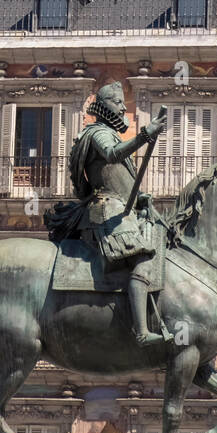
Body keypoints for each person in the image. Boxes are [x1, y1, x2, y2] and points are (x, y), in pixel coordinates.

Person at [48, 82, 169, 346]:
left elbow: (120, 179)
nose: (124, 107)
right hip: (108, 210)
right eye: (118, 102)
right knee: (142, 259)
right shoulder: (98, 133)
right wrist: (145, 135)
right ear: (104, 107)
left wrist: (139, 199)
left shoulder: (107, 132)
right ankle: (141, 332)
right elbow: (112, 155)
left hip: (121, 207)